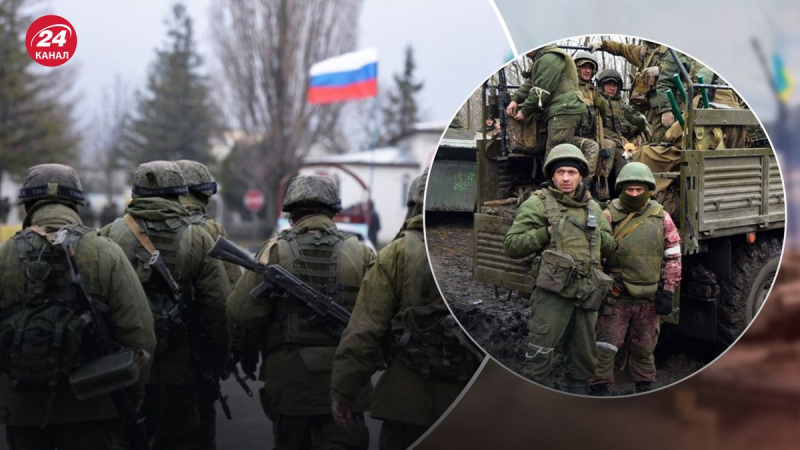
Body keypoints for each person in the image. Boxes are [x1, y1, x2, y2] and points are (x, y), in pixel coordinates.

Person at [0, 164, 156, 450]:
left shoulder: (5, 253)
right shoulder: (104, 251)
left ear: (28, 204)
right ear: (76, 202)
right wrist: (134, 392)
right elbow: (139, 331)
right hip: (93, 404)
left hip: (22, 406)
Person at [331, 169, 482, 450]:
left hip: (406, 400)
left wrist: (344, 389)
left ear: (414, 203)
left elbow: (365, 328)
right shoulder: (481, 252)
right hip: (471, 401)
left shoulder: (396, 253)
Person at [227, 175, 375, 450]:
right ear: (333, 210)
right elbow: (378, 321)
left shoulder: (274, 250)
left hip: (290, 385)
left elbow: (241, 313)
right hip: (345, 384)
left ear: (292, 214)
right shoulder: (362, 253)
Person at [100, 161, 231, 450]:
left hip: (125, 367)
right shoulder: (198, 236)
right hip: (180, 370)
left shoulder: (109, 234)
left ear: (136, 193)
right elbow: (217, 309)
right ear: (179, 192)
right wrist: (215, 361)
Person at [504, 144, 615, 394]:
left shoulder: (593, 207)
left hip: (585, 293)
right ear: (552, 176)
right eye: (560, 172)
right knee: (540, 353)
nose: (566, 178)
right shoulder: (539, 204)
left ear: (580, 176)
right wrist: (546, 233)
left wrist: (598, 235)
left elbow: (609, 247)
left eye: (572, 172)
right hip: (551, 294)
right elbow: (512, 246)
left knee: (582, 356)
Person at [589, 163, 681, 395]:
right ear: (621, 189)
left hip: (649, 297)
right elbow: (597, 254)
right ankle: (598, 389)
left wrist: (668, 290)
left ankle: (644, 387)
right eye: (629, 190)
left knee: (644, 347)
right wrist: (598, 290)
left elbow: (673, 255)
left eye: (639, 190)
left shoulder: (662, 217)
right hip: (616, 295)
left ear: (648, 189)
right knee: (605, 346)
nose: (634, 194)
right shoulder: (608, 215)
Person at [176, 159, 242, 450]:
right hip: (197, 353)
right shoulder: (211, 229)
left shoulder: (137, 226)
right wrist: (225, 353)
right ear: (205, 194)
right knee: (199, 427)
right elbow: (230, 298)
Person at [505, 46, 598, 179]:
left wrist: (524, 111)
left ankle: (555, 191)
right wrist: (516, 99)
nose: (524, 54)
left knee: (555, 154)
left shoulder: (549, 59)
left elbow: (541, 91)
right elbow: (532, 82)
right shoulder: (545, 59)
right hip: (563, 110)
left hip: (563, 111)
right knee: (566, 146)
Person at [596, 68, 648, 192]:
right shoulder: (598, 101)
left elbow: (640, 120)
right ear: (603, 86)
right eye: (609, 84)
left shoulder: (622, 105)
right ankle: (606, 189)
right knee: (616, 154)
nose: (612, 88)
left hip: (624, 142)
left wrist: (631, 123)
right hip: (604, 139)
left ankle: (628, 191)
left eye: (615, 85)